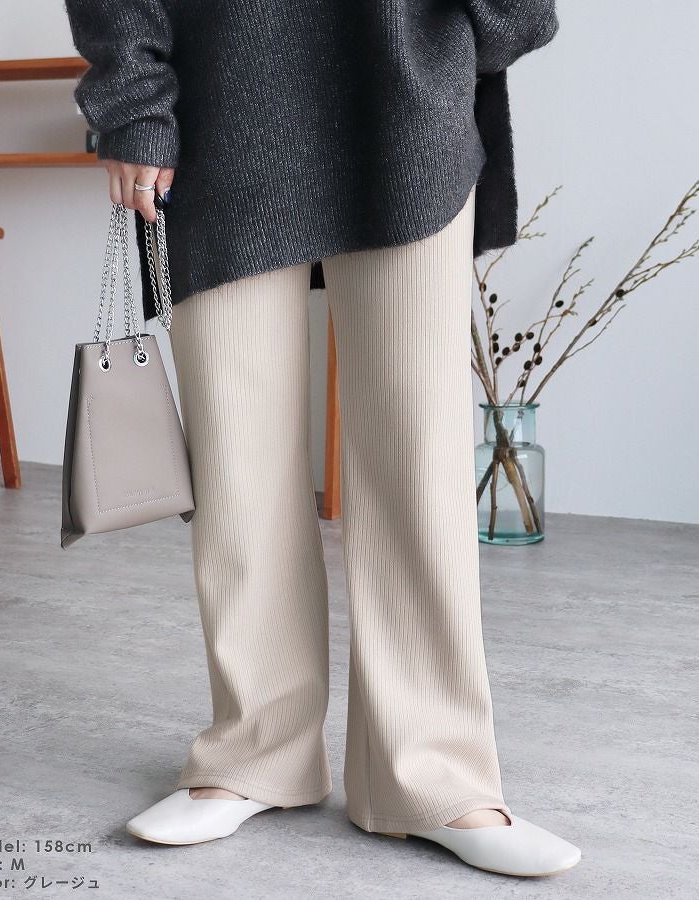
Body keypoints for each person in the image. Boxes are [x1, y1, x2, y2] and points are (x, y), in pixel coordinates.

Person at [65, 0, 581, 878]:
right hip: (220, 104)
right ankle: (253, 751)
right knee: (236, 459)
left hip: (404, 104)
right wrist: (133, 104)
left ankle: (435, 775)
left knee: (419, 461)